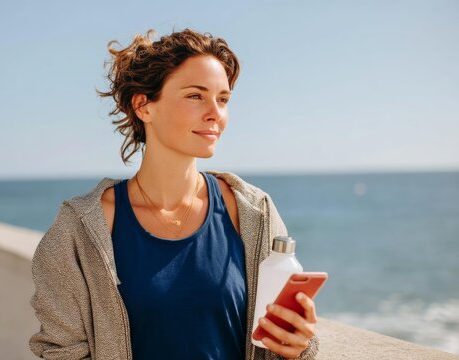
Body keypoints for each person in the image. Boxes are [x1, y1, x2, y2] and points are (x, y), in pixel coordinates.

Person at [29, 28, 319, 360]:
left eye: (222, 99)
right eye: (196, 96)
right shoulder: (80, 229)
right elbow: (60, 352)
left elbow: (288, 342)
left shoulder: (254, 211)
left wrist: (299, 346)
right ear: (144, 106)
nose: (215, 114)